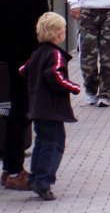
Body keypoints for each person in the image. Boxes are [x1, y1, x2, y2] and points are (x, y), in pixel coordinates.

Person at [0, 0, 48, 191]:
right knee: (20, 111)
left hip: (9, 49)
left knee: (15, 111)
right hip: (21, 52)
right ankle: (14, 170)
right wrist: (34, 53)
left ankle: (11, 168)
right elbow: (23, 16)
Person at [19, 12, 80, 200]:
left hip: (37, 107)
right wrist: (74, 87)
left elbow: (23, 70)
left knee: (41, 142)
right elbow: (56, 76)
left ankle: (34, 176)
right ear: (58, 34)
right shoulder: (56, 54)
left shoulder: (37, 53)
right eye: (63, 31)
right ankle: (43, 181)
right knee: (54, 144)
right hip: (51, 109)